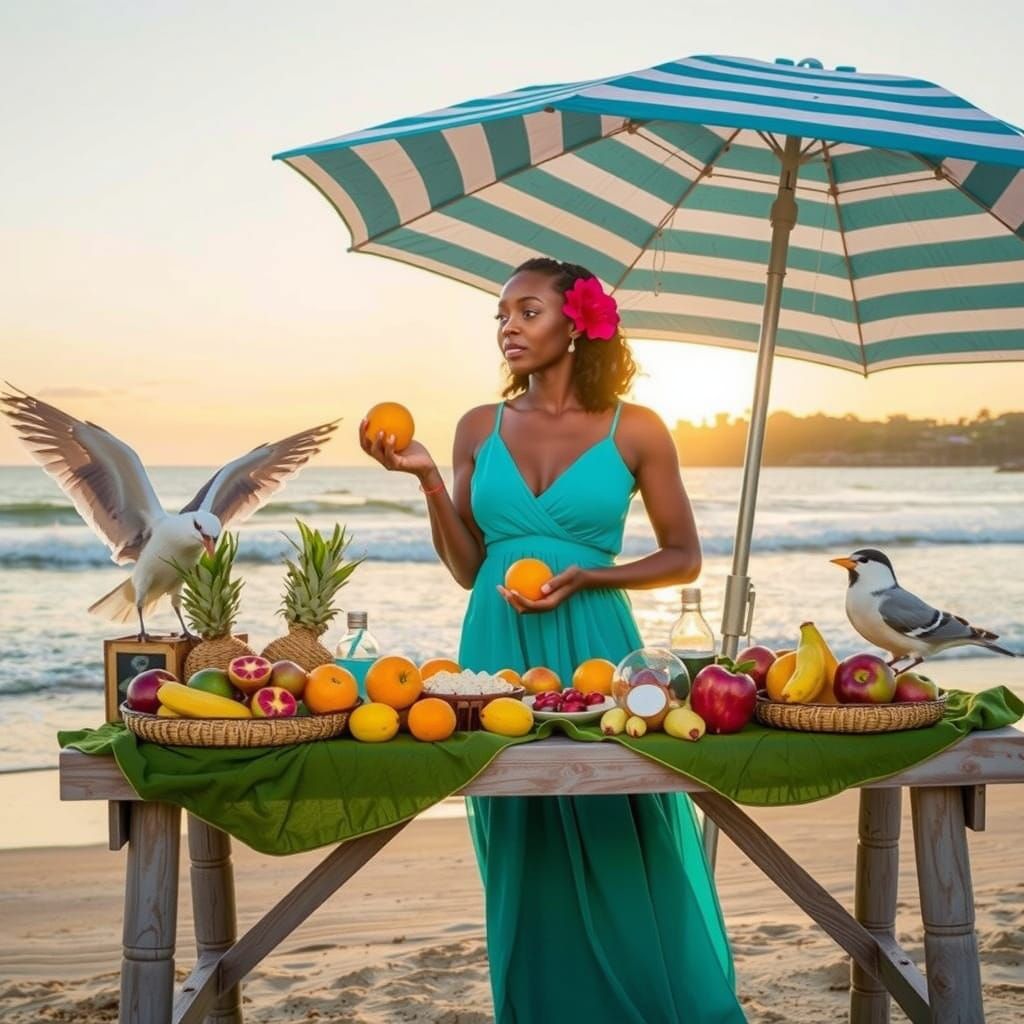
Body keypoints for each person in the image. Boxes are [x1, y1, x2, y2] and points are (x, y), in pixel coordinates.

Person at [360, 257, 745, 1023]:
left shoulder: (636, 428)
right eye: (501, 315)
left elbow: (684, 556)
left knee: (620, 823)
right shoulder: (479, 426)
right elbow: (471, 568)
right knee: (521, 839)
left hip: (599, 644)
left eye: (527, 311)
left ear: (578, 323)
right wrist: (430, 479)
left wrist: (586, 577)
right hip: (496, 647)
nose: (508, 327)